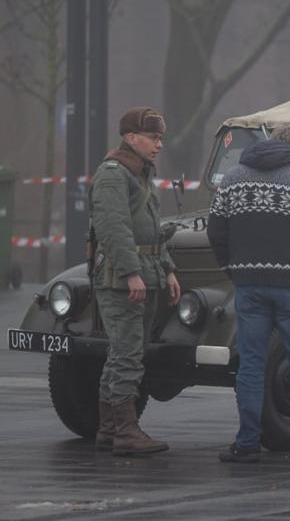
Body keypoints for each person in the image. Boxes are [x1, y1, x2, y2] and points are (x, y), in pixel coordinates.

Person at [207, 124, 290, 465]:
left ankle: (247, 443)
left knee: (250, 365)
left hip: (248, 287)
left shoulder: (233, 179)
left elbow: (215, 229)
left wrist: (231, 269)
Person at [89, 106, 181, 455]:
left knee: (122, 353)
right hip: (121, 279)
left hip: (144, 270)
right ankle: (125, 432)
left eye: (161, 138)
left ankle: (110, 428)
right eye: (153, 138)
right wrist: (131, 273)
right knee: (127, 354)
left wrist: (168, 268)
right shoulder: (114, 174)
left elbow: (152, 230)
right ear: (131, 138)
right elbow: (113, 230)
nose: (159, 145)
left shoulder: (138, 173)